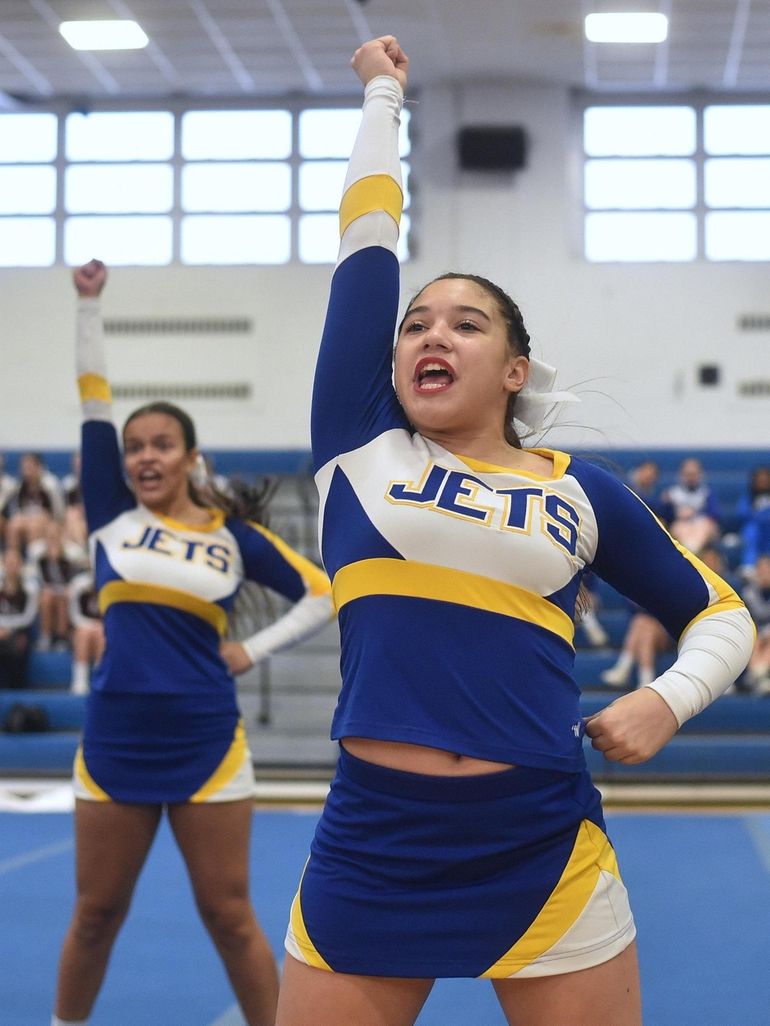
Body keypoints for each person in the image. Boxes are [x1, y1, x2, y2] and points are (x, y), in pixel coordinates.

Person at [274, 37, 755, 1026]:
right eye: (413, 325)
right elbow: (364, 245)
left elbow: (719, 616)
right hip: (375, 838)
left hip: (539, 840)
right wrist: (379, 95)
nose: (430, 335)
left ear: (513, 370)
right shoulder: (359, 450)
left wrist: (665, 703)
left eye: (463, 323)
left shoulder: (580, 492)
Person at [51, 260, 334, 1026]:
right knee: (94, 915)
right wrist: (89, 306)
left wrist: (252, 649)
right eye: (136, 445)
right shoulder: (111, 513)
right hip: (114, 746)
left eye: (162, 444)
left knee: (231, 916)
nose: (144, 455)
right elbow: (93, 398)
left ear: (188, 456)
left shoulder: (233, 539)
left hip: (207, 743)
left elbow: (322, 592)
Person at [660, 456, 721, 554]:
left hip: (700, 526)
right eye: (688, 474)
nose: (691, 477)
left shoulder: (706, 493)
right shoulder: (672, 494)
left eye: (694, 474)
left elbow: (714, 514)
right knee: (680, 528)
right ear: (681, 475)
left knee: (704, 526)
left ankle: (693, 552)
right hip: (680, 526)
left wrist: (695, 513)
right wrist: (675, 513)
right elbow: (665, 516)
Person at [0, 547, 39, 688]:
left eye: (14, 562)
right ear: (3, 564)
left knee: (18, 644)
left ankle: (17, 686)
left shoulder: (30, 588)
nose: (12, 566)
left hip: (20, 631)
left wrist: (8, 630)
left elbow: (28, 617)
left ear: (20, 564)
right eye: (9, 562)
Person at [66, 569, 103, 695]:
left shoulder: (111, 582)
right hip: (82, 627)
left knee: (101, 633)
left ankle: (100, 680)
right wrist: (91, 625)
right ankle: (80, 682)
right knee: (84, 633)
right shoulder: (78, 583)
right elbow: (74, 614)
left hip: (105, 630)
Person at [740, 553, 770, 695]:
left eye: (767, 570)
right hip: (756, 631)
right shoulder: (749, 592)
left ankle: (759, 674)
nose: (764, 574)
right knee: (755, 637)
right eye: (761, 570)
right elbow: (748, 618)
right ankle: (757, 676)